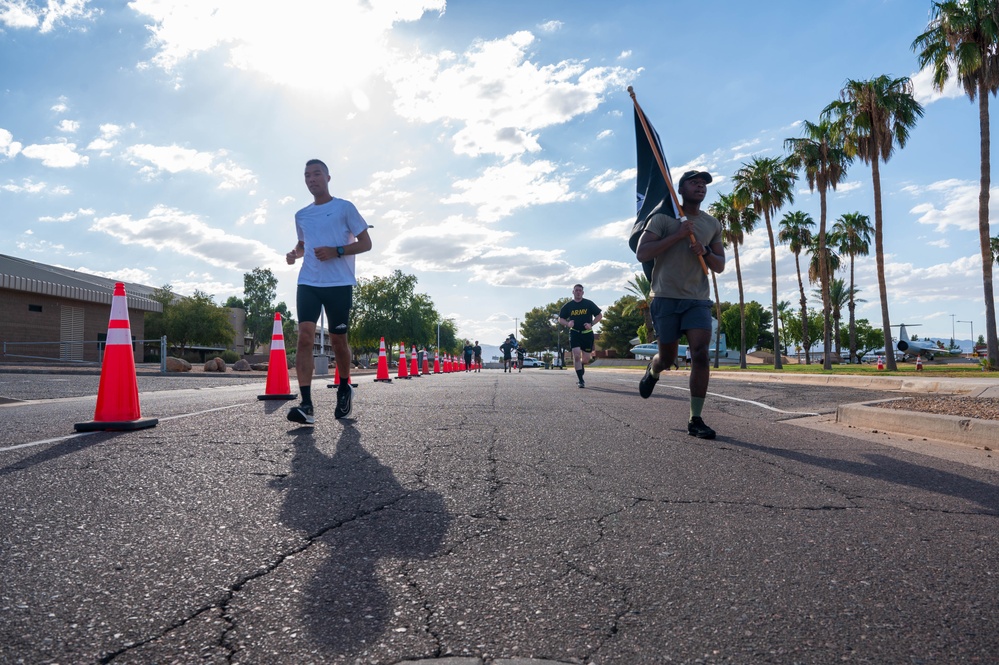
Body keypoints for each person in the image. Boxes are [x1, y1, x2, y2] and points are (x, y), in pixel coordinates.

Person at [635, 170, 724, 439]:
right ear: (680, 189)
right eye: (694, 182)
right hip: (665, 297)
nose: (700, 187)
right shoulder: (662, 219)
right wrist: (678, 234)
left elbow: (719, 265)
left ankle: (695, 419)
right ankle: (654, 369)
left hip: (697, 299)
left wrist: (705, 251)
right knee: (669, 358)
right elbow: (643, 252)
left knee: (699, 353)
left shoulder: (712, 224)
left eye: (703, 184)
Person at [286, 159, 372, 424]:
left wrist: (337, 251)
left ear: (328, 177)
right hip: (309, 282)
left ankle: (345, 387)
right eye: (307, 175)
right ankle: (307, 406)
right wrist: (295, 254)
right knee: (304, 337)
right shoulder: (301, 215)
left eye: (316, 174)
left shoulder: (344, 208)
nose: (312, 179)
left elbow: (366, 243)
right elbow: (303, 244)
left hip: (338, 284)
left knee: (338, 342)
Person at [557, 284, 602, 388]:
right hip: (574, 333)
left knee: (586, 360)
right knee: (576, 355)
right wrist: (567, 324)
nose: (578, 292)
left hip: (587, 334)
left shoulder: (588, 303)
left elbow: (599, 315)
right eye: (576, 290)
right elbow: (560, 319)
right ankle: (581, 380)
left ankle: (581, 365)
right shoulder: (569, 306)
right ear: (573, 292)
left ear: (582, 292)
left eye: (580, 290)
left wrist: (591, 324)